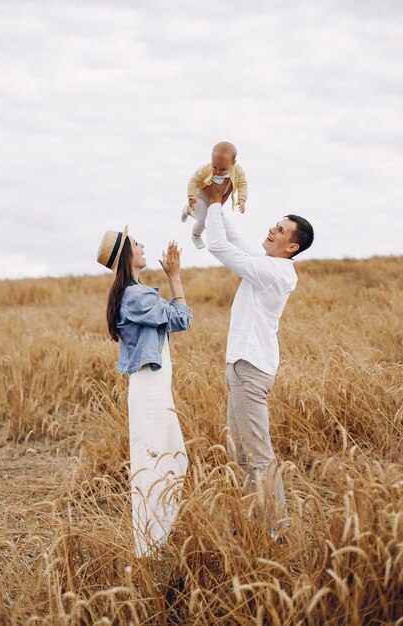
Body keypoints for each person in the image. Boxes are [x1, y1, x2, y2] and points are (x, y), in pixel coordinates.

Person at [203, 181, 314, 539]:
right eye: (274, 225)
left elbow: (219, 245)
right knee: (241, 455)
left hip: (251, 370)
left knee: (259, 454)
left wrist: (217, 203)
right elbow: (236, 240)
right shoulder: (267, 263)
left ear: (291, 246)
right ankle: (254, 524)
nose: (271, 230)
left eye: (279, 230)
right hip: (239, 366)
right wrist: (213, 204)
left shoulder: (275, 272)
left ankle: (277, 533)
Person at [97, 228, 192, 557]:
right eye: (136, 244)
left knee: (175, 462)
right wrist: (175, 276)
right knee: (154, 471)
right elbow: (182, 319)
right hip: (150, 391)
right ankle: (150, 553)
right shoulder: (137, 296)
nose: (142, 246)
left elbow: (176, 322)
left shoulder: (133, 292)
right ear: (127, 256)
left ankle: (159, 543)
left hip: (154, 389)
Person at [181, 141, 248, 249]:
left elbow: (243, 183)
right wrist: (191, 196)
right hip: (201, 197)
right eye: (214, 166)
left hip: (217, 201)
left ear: (233, 163)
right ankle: (196, 236)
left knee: (211, 219)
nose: (217, 171)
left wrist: (242, 198)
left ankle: (188, 211)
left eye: (222, 169)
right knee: (204, 220)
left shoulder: (238, 170)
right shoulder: (206, 168)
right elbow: (193, 180)